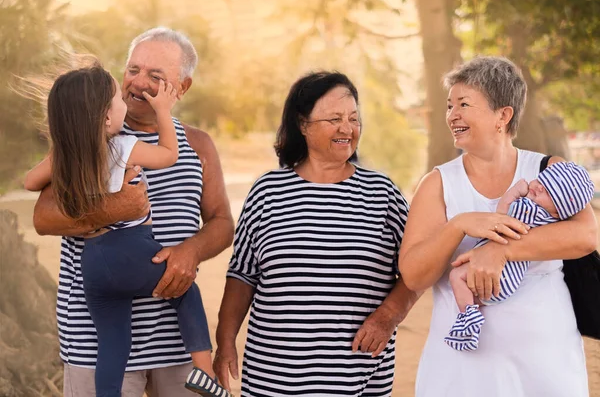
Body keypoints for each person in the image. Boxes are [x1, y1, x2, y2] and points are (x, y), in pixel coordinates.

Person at [31, 27, 234, 396]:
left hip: (175, 344)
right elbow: (43, 217)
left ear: (182, 88)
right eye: (133, 69)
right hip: (93, 341)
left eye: (155, 76)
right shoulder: (87, 137)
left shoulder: (198, 145)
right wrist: (114, 208)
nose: (138, 83)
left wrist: (192, 251)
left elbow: (222, 223)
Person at [398, 56, 596, 397]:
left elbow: (586, 235)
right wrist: (459, 225)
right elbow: (414, 275)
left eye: (464, 104)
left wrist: (499, 249)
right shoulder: (437, 183)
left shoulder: (550, 170)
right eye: (449, 106)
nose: (452, 115)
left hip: (547, 367)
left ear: (502, 116)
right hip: (460, 373)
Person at [213, 71, 420, 397]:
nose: (347, 128)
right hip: (273, 379)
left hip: (356, 378)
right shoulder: (267, 191)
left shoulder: (382, 193)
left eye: (353, 118)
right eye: (334, 118)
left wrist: (388, 316)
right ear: (303, 124)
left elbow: (418, 268)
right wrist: (225, 342)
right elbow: (242, 276)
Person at [445, 162, 595, 351]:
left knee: (456, 276)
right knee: (471, 284)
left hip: (503, 273)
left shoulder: (529, 209)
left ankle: (468, 315)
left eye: (548, 191)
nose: (539, 187)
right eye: (541, 181)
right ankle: (475, 306)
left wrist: (515, 192)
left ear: (558, 210)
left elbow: (501, 213)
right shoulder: (553, 223)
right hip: (509, 281)